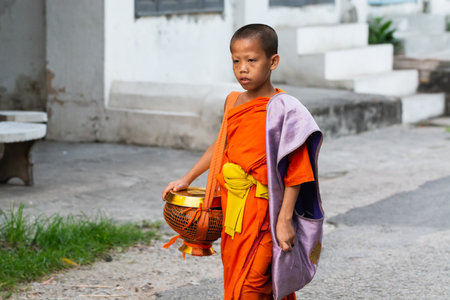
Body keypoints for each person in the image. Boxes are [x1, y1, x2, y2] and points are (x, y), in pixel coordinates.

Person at [162, 24, 323, 300]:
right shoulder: (233, 102)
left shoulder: (286, 109)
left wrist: (284, 220)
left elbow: (297, 172)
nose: (242, 69)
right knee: (238, 278)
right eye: (236, 61)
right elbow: (221, 144)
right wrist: (187, 179)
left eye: (251, 60)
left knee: (253, 285)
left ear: (273, 62)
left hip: (265, 215)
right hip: (234, 214)